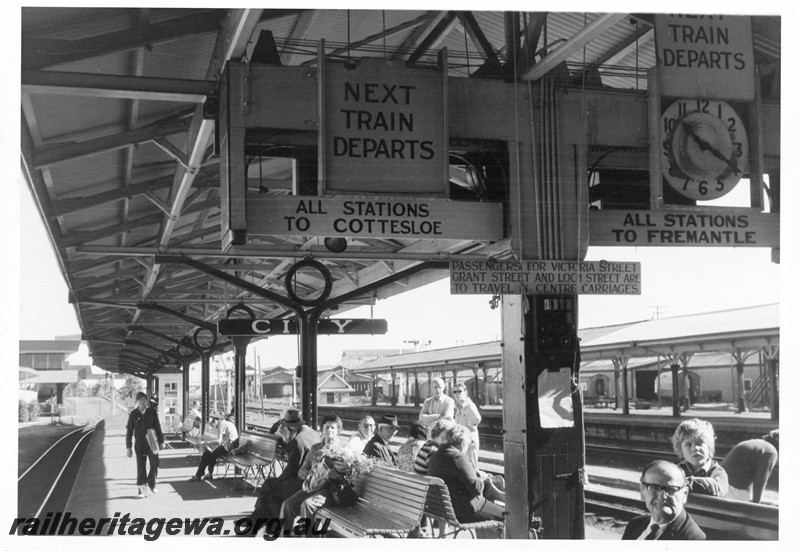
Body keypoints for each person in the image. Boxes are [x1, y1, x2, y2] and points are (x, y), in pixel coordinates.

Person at [248, 407, 321, 525]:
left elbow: (292, 468)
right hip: (314, 480)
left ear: (289, 427)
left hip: (302, 483)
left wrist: (279, 480)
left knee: (270, 485)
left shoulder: (297, 440)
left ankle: (258, 519)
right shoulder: (313, 433)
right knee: (272, 487)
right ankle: (260, 518)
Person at [428, 424, 504, 530]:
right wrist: (480, 477)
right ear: (463, 442)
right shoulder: (458, 458)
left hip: (443, 510)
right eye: (468, 443)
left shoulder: (435, 456)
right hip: (463, 511)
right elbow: (477, 489)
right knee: (507, 515)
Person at [280, 414, 346, 532]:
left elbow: (347, 477)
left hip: (331, 491)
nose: (330, 430)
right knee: (287, 505)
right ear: (322, 430)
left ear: (338, 431)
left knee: (307, 505)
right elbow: (302, 471)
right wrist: (312, 477)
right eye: (327, 427)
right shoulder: (315, 449)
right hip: (313, 487)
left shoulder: (343, 452)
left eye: (333, 428)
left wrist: (334, 474)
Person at [622, 460, 705, 540]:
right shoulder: (635, 524)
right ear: (642, 492)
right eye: (654, 488)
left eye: (671, 489)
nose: (662, 496)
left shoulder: (695, 540)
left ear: (685, 494)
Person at [671, 418, 728, 496]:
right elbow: (669, 486)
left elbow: (717, 491)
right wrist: (693, 481)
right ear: (681, 450)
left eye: (699, 443)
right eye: (688, 445)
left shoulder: (718, 472)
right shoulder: (678, 470)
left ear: (709, 447)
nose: (695, 448)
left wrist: (685, 483)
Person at [721, 430, 778, 504]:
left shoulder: (760, 444)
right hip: (734, 487)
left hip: (722, 481)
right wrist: (756, 504)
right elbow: (761, 480)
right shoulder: (771, 451)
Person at [125, 391, 164, 498]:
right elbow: (129, 431)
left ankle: (151, 483)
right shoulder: (134, 414)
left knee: (155, 463)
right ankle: (142, 491)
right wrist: (128, 447)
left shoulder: (152, 412)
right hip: (140, 443)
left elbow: (158, 427)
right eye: (140, 400)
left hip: (152, 442)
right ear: (137, 402)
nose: (143, 402)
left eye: (144, 399)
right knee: (141, 466)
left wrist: (161, 441)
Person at [188, 412, 239, 481]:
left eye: (213, 425)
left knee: (208, 453)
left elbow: (218, 441)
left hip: (229, 448)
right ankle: (207, 474)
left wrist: (205, 443)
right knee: (210, 453)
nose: (214, 427)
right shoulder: (226, 423)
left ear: (215, 421)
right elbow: (221, 441)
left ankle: (200, 475)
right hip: (232, 446)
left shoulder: (221, 424)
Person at [453, 383, 482, 469]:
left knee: (472, 466)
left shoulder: (470, 405)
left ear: (466, 392)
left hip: (470, 441)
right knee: (465, 467)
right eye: (455, 392)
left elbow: (477, 419)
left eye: (460, 391)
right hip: (462, 441)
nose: (457, 394)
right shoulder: (458, 407)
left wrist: (466, 430)